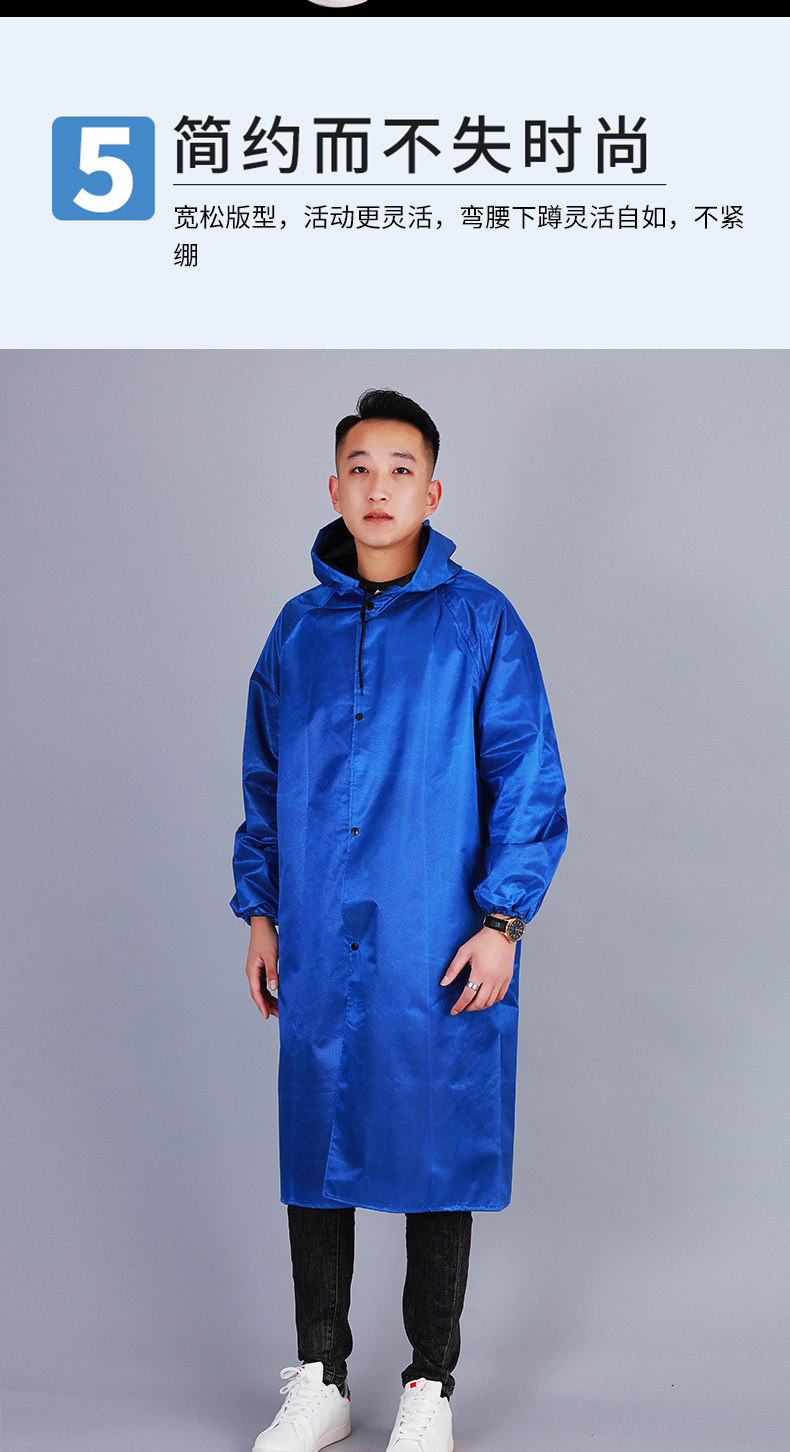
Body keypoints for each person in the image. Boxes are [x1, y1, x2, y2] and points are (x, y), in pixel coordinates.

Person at [231, 389, 567, 1452]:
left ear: (433, 491)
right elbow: (265, 781)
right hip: (318, 935)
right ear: (334, 489)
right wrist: (261, 912)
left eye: (401, 469)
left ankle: (430, 1383)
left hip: (435, 935)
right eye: (360, 469)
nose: (379, 488)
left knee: (435, 1143)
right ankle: (321, 1376)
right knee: (316, 1144)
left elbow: (527, 776)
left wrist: (502, 922)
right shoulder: (297, 632)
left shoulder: (479, 622)